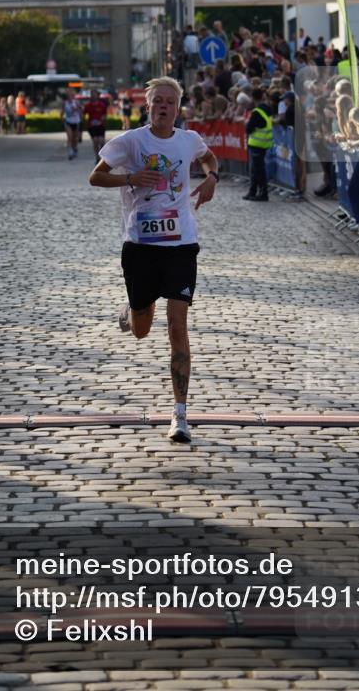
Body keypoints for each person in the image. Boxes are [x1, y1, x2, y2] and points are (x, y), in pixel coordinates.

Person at [89, 77, 219, 444]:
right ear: (148, 107)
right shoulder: (130, 141)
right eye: (157, 101)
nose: (163, 106)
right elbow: (95, 176)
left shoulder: (188, 140)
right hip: (141, 246)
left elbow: (209, 158)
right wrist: (130, 177)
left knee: (177, 327)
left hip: (181, 245)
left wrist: (213, 178)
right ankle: (131, 313)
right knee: (143, 328)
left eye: (170, 102)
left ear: (178, 108)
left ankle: (180, 416)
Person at [243, 87, 273, 201]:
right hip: (264, 143)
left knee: (258, 170)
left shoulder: (257, 112)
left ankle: (263, 193)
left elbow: (249, 128)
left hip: (256, 144)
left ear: (253, 97)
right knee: (256, 169)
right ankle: (253, 191)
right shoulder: (267, 109)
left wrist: (246, 123)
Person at [84, 89, 108, 162]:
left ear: (97, 96)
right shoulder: (88, 105)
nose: (93, 96)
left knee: (101, 141)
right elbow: (84, 114)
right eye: (91, 94)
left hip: (100, 125)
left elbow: (105, 114)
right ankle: (97, 157)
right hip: (92, 126)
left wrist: (103, 118)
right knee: (95, 141)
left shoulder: (101, 105)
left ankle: (103, 157)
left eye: (94, 94)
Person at [61, 92, 82, 159]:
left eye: (71, 96)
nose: (70, 97)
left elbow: (81, 111)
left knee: (75, 138)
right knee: (69, 137)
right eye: (68, 96)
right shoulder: (65, 103)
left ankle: (75, 148)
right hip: (68, 122)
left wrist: (77, 109)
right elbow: (62, 112)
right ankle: (70, 152)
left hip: (76, 121)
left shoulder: (76, 102)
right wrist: (62, 120)